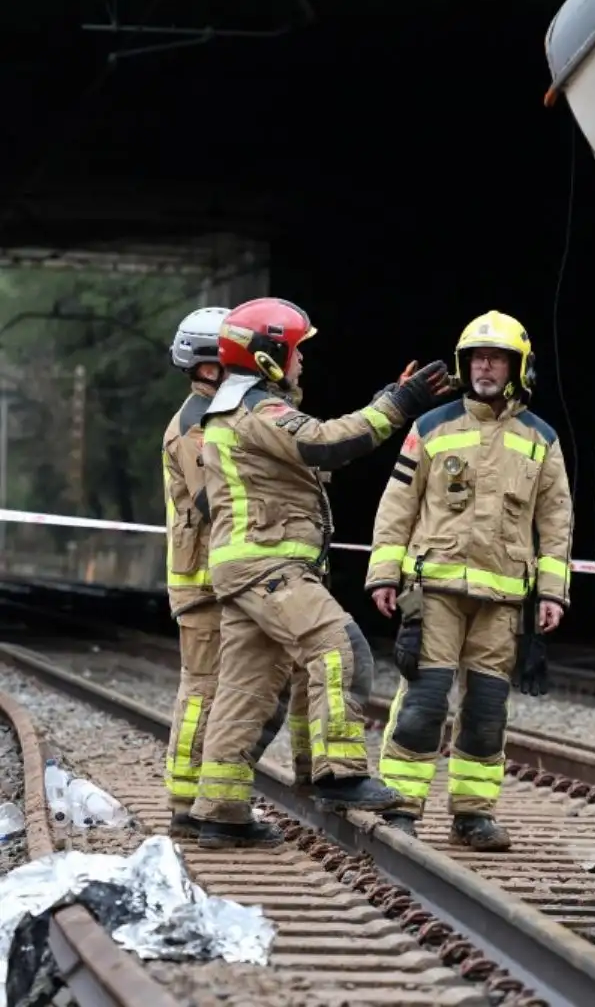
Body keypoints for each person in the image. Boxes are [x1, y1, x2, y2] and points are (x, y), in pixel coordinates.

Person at [188, 296, 452, 848]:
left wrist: (384, 399)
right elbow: (327, 444)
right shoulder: (257, 412)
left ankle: (220, 812)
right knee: (340, 647)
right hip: (269, 566)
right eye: (295, 350)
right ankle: (340, 773)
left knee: (245, 690)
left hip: (244, 567)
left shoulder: (230, 413)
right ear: (267, 358)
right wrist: (399, 404)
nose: (302, 360)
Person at [367, 310, 572, 852]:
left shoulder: (541, 439)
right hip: (433, 593)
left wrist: (552, 592)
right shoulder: (431, 428)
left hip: (502, 600)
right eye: (477, 358)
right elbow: (397, 505)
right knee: (424, 702)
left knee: (485, 710)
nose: (485, 368)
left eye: (496, 360)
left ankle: (473, 815)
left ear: (517, 369)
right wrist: (383, 574)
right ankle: (400, 806)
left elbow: (556, 520)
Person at [160, 306, 312, 835]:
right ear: (206, 368)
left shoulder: (221, 416)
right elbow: (215, 502)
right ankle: (188, 802)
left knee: (247, 686)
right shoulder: (194, 428)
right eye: (228, 360)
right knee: (204, 689)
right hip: (204, 583)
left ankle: (214, 795)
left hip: (225, 576)